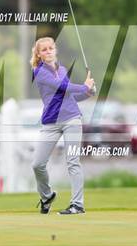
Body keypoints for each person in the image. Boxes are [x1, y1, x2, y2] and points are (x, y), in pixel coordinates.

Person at [30, 36, 95, 215]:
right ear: (39, 54)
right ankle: (47, 196)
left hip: (72, 119)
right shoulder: (39, 71)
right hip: (51, 123)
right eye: (44, 49)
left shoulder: (63, 69)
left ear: (55, 50)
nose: (48, 51)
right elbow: (62, 86)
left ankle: (77, 205)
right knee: (37, 164)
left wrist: (88, 92)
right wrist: (83, 86)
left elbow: (70, 96)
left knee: (73, 161)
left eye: (51, 48)